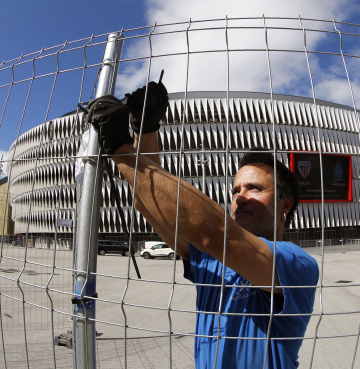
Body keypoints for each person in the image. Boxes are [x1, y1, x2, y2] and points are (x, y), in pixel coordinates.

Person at [87, 83, 319, 369]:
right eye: (235, 191)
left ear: (285, 204)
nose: (240, 197)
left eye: (254, 189)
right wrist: (146, 130)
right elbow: (152, 207)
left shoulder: (297, 263)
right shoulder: (211, 259)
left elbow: (213, 234)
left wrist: (120, 148)